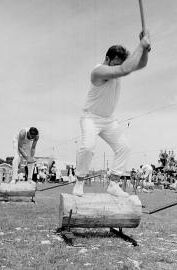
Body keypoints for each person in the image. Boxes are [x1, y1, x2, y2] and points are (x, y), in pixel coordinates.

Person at [72, 29, 151, 197]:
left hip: (108, 120)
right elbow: (124, 69)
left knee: (124, 147)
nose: (116, 68)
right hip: (90, 118)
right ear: (107, 59)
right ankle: (79, 183)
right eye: (114, 64)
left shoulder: (118, 67)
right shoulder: (98, 71)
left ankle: (113, 184)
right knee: (87, 147)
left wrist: (144, 51)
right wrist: (141, 44)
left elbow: (141, 64)